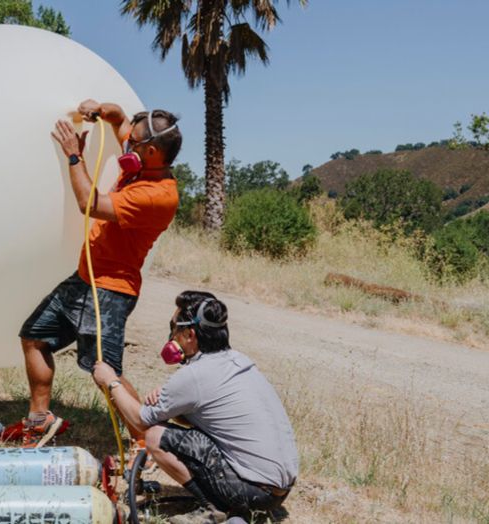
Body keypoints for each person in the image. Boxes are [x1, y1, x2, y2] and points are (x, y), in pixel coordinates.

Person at [18, 100, 182, 447]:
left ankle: (147, 438)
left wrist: (74, 156)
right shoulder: (143, 163)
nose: (126, 147)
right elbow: (120, 117)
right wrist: (100, 109)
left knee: (103, 370)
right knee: (34, 336)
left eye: (133, 144)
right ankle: (40, 420)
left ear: (151, 151)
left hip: (111, 289)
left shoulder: (158, 195)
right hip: (84, 278)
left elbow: (90, 204)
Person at [91, 291, 299, 522]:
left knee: (155, 436)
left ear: (190, 335)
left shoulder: (195, 376)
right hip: (280, 490)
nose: (171, 336)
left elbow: (140, 420)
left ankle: (213, 507)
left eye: (174, 328)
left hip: (254, 492)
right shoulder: (238, 360)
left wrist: (110, 381)